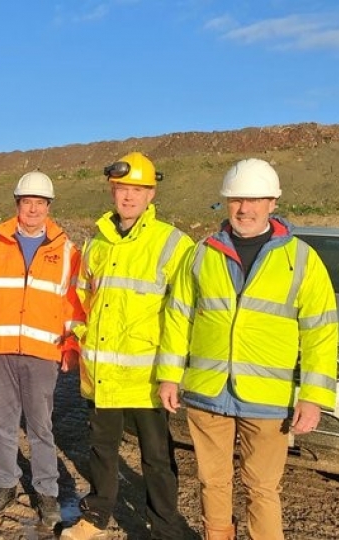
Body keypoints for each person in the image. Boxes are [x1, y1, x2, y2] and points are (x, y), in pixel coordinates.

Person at [157, 158, 338, 540]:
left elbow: (321, 332)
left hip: (268, 399)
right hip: (208, 392)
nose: (245, 208)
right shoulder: (202, 254)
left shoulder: (302, 260)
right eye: (237, 199)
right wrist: (169, 376)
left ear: (273, 202)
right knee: (212, 482)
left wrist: (313, 397)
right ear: (226, 203)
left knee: (263, 489)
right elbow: (178, 318)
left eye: (255, 199)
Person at [60, 152, 192, 540]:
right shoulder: (96, 243)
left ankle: (165, 529)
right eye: (122, 189)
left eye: (137, 190)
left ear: (151, 194)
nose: (128, 197)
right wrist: (76, 342)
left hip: (148, 377)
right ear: (112, 192)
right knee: (101, 450)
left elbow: (181, 312)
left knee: (157, 459)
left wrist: (172, 373)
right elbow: (80, 299)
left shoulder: (173, 243)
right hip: (103, 375)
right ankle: (97, 516)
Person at [0, 171, 85, 528]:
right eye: (27, 202)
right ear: (17, 205)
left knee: (40, 426)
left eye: (40, 203)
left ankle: (46, 491)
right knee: (2, 423)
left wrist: (70, 347)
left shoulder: (66, 252)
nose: (33, 209)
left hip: (43, 352)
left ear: (48, 207)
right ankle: (4, 485)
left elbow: (73, 305)